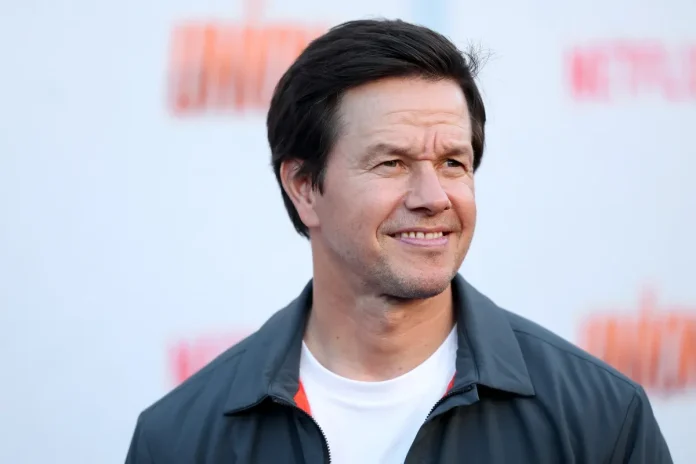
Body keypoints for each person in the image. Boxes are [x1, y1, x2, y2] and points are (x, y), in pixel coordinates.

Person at [125, 19, 672, 464]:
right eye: (392, 163)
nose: (433, 197)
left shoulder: (598, 419)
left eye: (452, 162)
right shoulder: (180, 440)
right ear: (304, 188)